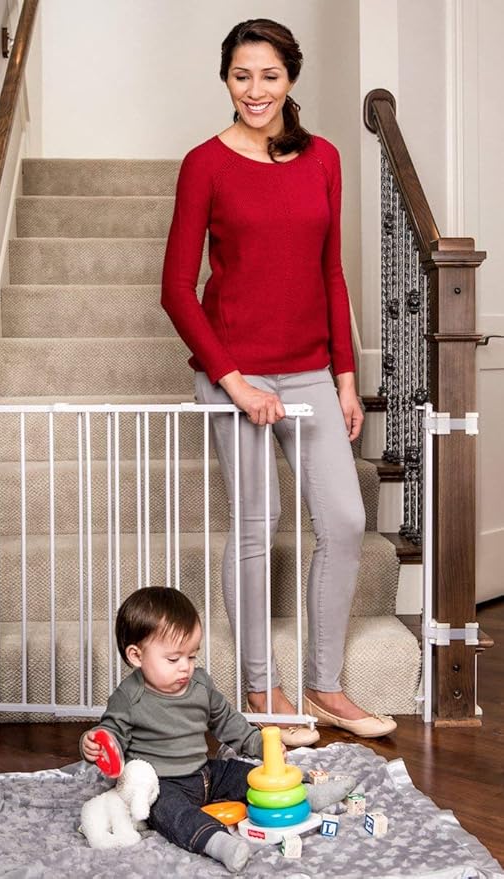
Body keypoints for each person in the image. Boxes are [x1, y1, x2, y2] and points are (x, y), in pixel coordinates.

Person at [160, 18, 397, 741]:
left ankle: (324, 686)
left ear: (289, 77)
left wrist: (346, 377)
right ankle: (262, 689)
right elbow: (175, 288)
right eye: (240, 75)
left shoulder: (322, 157)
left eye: (267, 75)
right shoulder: (204, 163)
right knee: (258, 524)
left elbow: (330, 270)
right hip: (236, 370)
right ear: (225, 79)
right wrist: (233, 382)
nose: (254, 90)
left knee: (345, 521)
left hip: (309, 371)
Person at [81, 586, 279, 874]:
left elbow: (227, 720)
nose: (185, 667)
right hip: (163, 785)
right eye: (173, 659)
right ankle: (219, 843)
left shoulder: (199, 685)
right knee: (173, 816)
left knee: (246, 774)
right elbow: (111, 734)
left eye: (192, 656)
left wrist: (260, 745)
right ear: (136, 656)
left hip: (206, 773)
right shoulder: (129, 697)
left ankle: (305, 794)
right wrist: (95, 744)